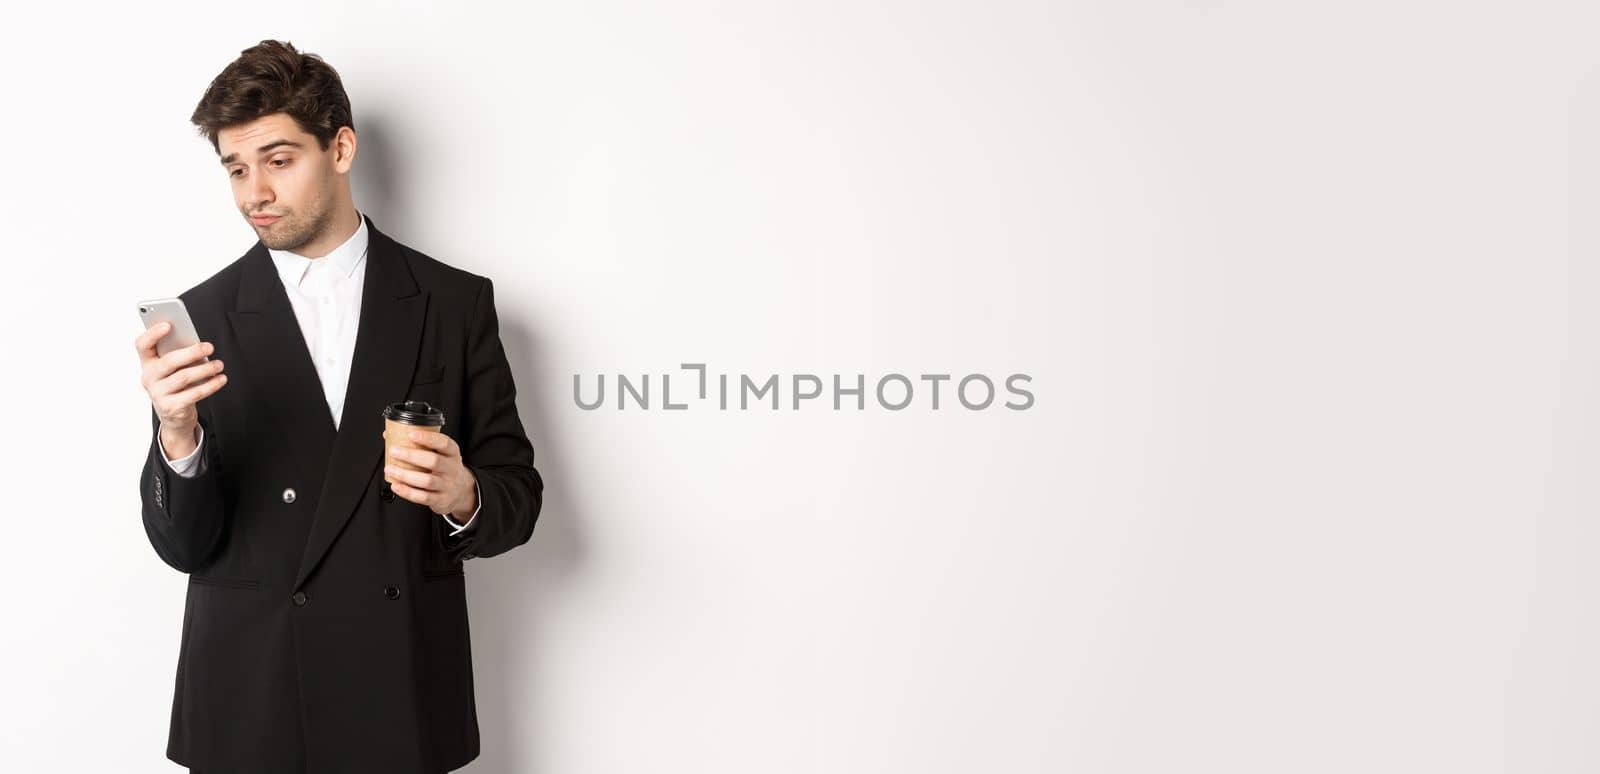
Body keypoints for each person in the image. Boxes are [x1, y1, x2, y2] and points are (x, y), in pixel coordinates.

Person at [133, 39, 544, 773]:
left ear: (342, 148)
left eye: (279, 160)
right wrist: (177, 436)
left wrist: (463, 495)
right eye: (235, 168)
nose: (254, 190)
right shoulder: (201, 315)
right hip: (249, 704)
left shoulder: (453, 303)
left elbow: (519, 499)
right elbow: (182, 548)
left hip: (397, 691)